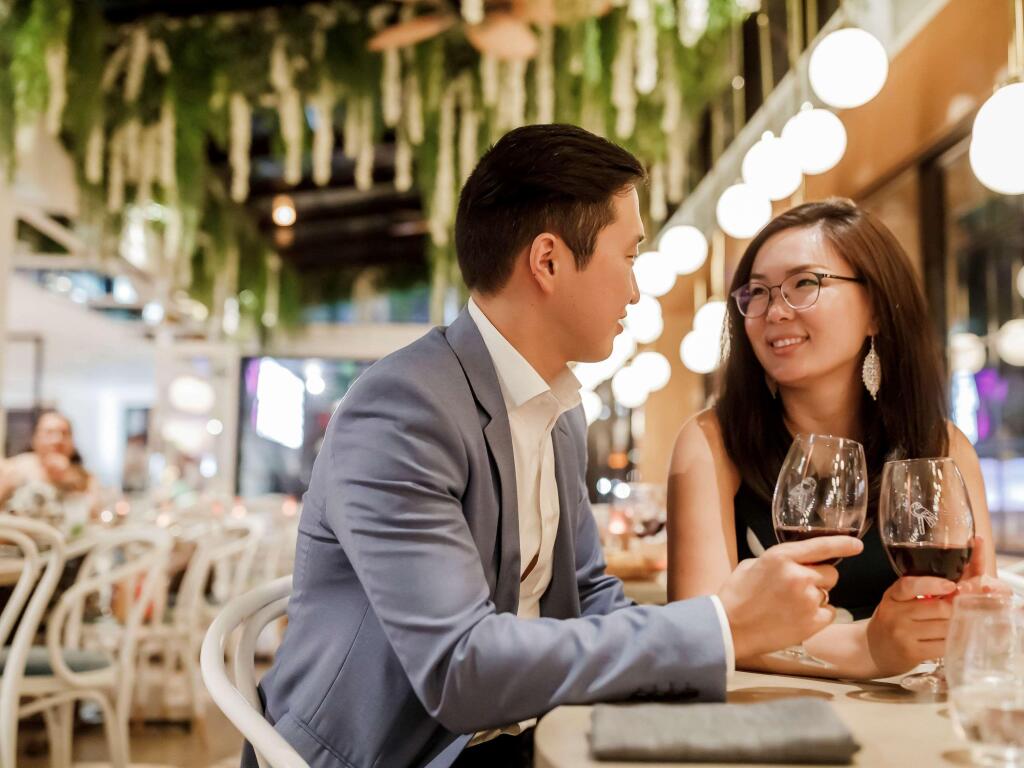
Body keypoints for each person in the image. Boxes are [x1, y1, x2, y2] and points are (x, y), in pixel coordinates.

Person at [252, 126, 862, 768]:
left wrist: (726, 632)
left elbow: (587, 594)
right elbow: (460, 669)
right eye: (628, 257)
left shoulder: (559, 411)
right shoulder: (404, 409)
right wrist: (717, 625)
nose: (635, 291)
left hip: (519, 738)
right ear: (548, 261)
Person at [667, 199, 999, 680]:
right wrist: (869, 647)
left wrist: (972, 614)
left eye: (804, 283)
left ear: (876, 309)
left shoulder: (939, 446)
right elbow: (698, 632)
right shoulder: (711, 443)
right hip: (769, 716)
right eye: (756, 292)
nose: (774, 311)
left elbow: (969, 616)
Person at [0, 410, 98, 516]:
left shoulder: (86, 478)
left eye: (64, 433)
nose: (57, 440)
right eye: (49, 432)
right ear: (34, 439)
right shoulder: (14, 468)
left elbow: (95, 514)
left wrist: (69, 479)